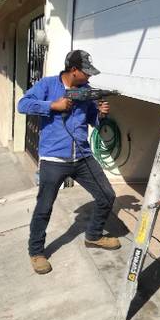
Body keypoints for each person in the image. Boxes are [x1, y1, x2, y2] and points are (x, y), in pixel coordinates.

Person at [17, 49, 121, 274]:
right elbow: (22, 105)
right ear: (74, 70)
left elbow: (93, 120)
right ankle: (36, 252)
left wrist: (101, 114)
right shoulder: (47, 85)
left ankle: (93, 236)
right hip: (54, 158)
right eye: (86, 72)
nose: (90, 77)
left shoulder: (86, 91)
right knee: (44, 207)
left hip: (82, 156)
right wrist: (52, 106)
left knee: (107, 195)